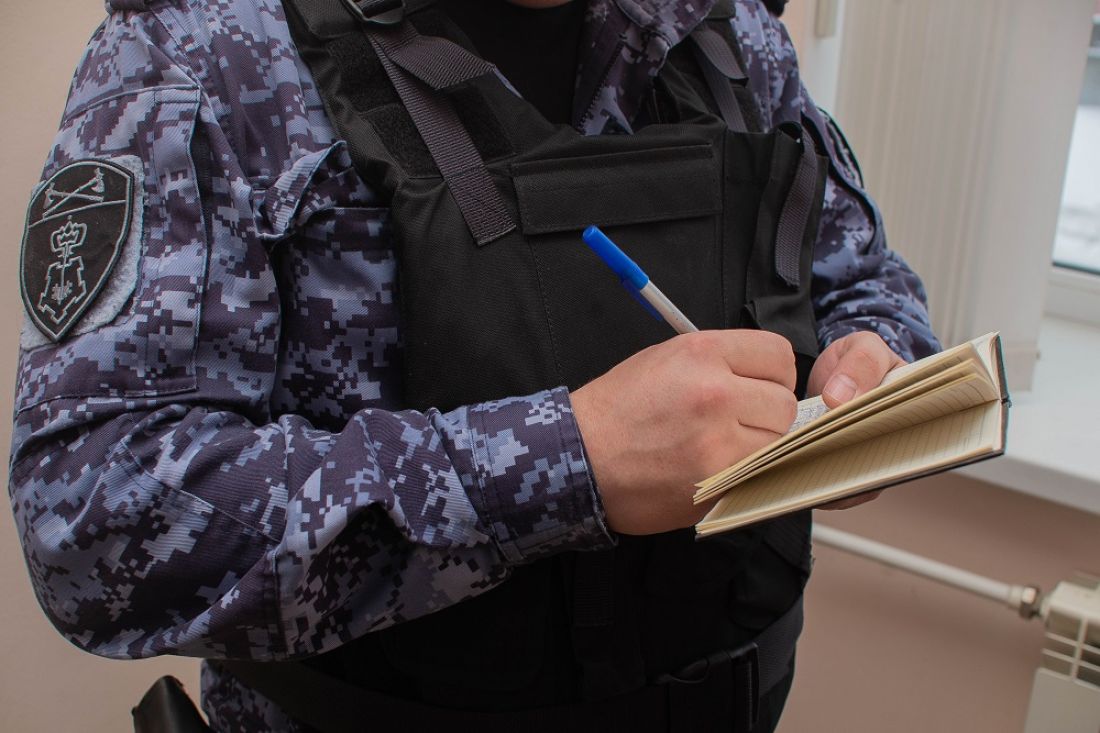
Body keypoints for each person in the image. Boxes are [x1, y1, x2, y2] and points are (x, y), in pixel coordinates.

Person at [9, 0, 940, 730]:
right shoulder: (208, 49)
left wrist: (870, 364)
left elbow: (855, 276)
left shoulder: (718, 27)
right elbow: (90, 516)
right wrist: (570, 457)